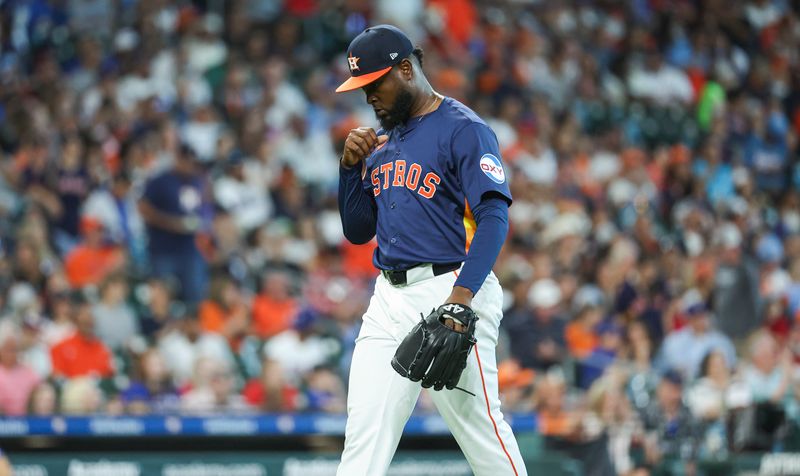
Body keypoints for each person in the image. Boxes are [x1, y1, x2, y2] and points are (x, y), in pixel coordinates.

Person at [335, 25, 526, 475]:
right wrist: (348, 170)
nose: (368, 98)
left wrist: (460, 302)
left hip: (452, 288)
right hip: (388, 299)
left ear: (406, 69)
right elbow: (359, 231)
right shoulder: (383, 142)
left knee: (482, 436)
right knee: (363, 438)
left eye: (374, 84)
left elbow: (494, 218)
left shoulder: (464, 129)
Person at [138, 144, 212, 305]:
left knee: (196, 295)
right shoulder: (160, 181)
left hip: (190, 248)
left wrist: (203, 222)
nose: (190, 166)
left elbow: (204, 205)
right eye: (187, 161)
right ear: (178, 159)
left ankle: (192, 327)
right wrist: (170, 223)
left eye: (193, 162)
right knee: (162, 297)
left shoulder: (197, 182)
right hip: (163, 249)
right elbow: (143, 208)